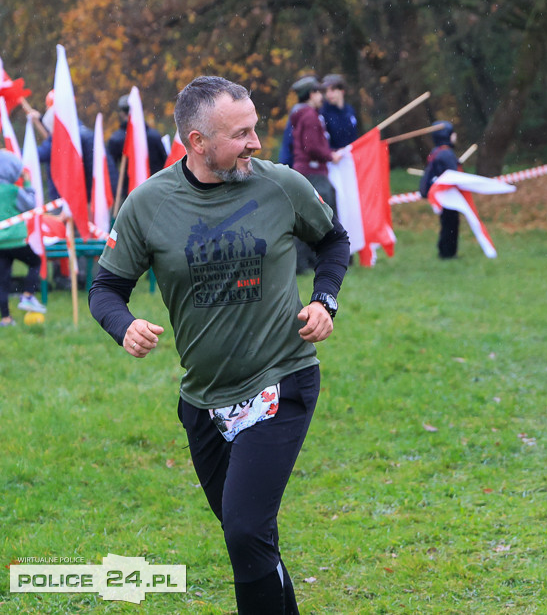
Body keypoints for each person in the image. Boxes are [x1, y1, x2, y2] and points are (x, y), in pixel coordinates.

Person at [89, 75, 350, 614]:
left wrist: (324, 300)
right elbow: (106, 288)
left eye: (255, 129)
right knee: (252, 539)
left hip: (282, 380)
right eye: (242, 134)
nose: (256, 143)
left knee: (245, 532)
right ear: (197, 142)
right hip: (204, 401)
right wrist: (125, 325)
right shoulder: (149, 204)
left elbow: (333, 240)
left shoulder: (281, 185)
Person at [288, 76, 344, 273]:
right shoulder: (310, 116)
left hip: (305, 172)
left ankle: (306, 262)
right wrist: (330, 155)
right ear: (312, 94)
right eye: (319, 92)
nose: (322, 96)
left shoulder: (301, 114)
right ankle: (308, 262)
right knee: (319, 217)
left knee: (307, 218)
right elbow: (311, 146)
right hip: (314, 174)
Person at [0, 149, 47, 325]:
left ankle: (5, 318)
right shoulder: (13, 190)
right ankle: (27, 295)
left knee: (2, 281)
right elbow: (29, 205)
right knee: (35, 262)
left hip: (0, 244)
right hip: (15, 241)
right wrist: (27, 184)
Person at [418, 121, 460, 259]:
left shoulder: (438, 152)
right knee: (450, 223)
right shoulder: (446, 153)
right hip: (447, 195)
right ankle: (447, 253)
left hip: (443, 194)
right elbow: (453, 174)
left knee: (447, 222)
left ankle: (445, 251)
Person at [106, 93, 169, 183]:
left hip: (129, 191)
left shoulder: (116, 139)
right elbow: (165, 163)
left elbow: (110, 170)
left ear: (122, 113)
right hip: (156, 187)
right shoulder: (154, 136)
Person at [319, 73, 360, 149]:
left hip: (351, 156)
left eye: (333, 90)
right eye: (326, 91)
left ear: (342, 91)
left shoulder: (350, 110)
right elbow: (322, 142)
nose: (328, 94)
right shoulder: (323, 112)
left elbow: (354, 136)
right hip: (334, 159)